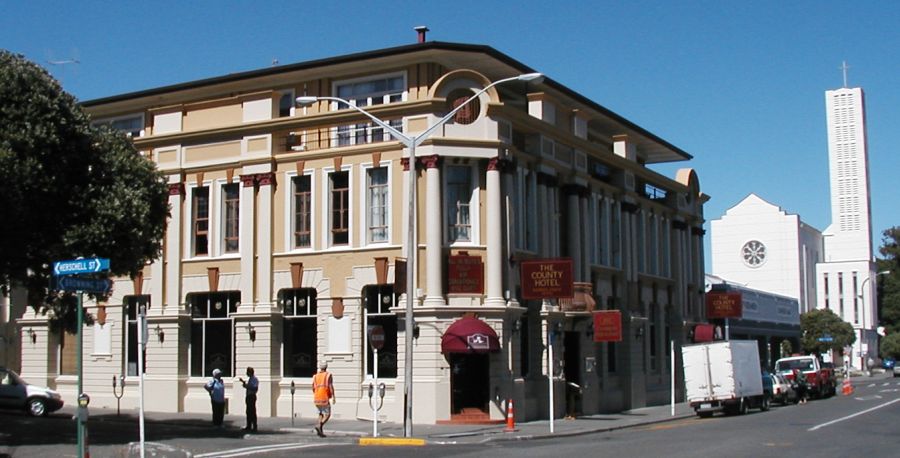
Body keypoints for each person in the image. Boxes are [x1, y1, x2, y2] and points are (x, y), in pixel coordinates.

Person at [311, 361, 335, 437]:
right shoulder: (328, 375)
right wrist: (333, 396)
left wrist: (316, 393)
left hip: (317, 397)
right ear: (326, 367)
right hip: (324, 397)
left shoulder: (315, 376)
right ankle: (319, 425)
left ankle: (320, 432)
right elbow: (330, 386)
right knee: (327, 414)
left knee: (320, 414)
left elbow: (313, 387)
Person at [239, 366, 259, 432]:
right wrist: (244, 383)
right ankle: (249, 425)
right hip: (248, 396)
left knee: (252, 411)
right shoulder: (250, 379)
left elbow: (255, 388)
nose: (246, 373)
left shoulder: (254, 379)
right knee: (248, 411)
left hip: (252, 396)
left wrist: (247, 386)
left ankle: (254, 426)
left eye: (247, 372)